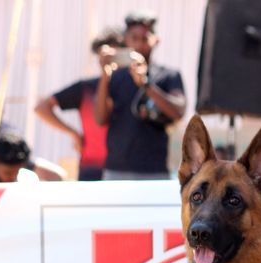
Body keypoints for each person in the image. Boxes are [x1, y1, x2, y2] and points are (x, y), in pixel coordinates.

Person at [94, 11, 186, 180]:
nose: (139, 44)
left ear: (156, 40)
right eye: (134, 38)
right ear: (125, 39)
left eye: (144, 39)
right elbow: (100, 119)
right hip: (116, 171)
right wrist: (104, 76)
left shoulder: (168, 76)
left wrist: (146, 84)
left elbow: (178, 112)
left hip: (154, 171)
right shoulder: (116, 76)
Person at [34, 27, 123, 181]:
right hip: (92, 168)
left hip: (125, 168)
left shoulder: (135, 86)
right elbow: (41, 108)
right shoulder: (86, 88)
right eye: (104, 56)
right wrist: (73, 133)